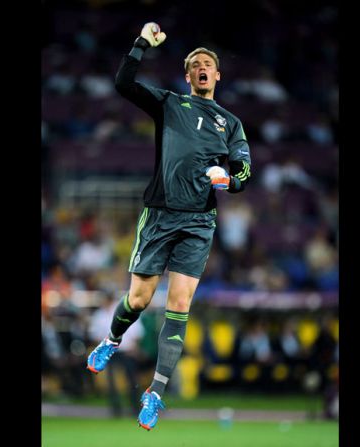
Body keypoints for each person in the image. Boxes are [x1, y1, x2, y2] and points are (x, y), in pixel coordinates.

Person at [86, 22, 253, 431]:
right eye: (195, 64)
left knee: (179, 305)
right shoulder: (169, 104)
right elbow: (124, 84)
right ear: (187, 76)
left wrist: (229, 181)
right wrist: (141, 42)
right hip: (161, 213)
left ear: (217, 76)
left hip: (199, 222)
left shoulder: (230, 124)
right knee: (139, 300)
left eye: (207, 64)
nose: (201, 68)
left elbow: (245, 171)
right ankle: (111, 340)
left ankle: (155, 393)